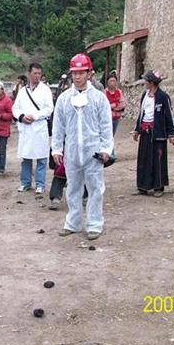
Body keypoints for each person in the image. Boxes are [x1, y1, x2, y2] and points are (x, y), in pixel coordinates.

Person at [52, 54, 113, 240]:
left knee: (95, 188)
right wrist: (56, 148)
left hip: (93, 151)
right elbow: (58, 125)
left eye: (81, 72)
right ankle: (73, 223)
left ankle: (94, 224)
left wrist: (106, 149)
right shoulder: (63, 99)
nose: (77, 77)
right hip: (72, 151)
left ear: (89, 73)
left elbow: (105, 125)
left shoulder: (99, 98)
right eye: (74, 73)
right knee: (72, 188)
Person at [133, 70, 174, 197]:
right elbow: (141, 114)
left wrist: (172, 133)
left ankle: (159, 186)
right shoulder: (144, 96)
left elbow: (170, 115)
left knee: (157, 160)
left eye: (146, 81)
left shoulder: (163, 97)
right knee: (144, 158)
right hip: (145, 132)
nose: (144, 83)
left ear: (152, 83)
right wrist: (137, 129)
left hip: (158, 133)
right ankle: (143, 186)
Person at [12, 63, 53, 194]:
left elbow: (49, 108)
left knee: (41, 158)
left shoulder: (45, 89)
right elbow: (15, 108)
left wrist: (35, 116)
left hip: (39, 126)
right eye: (35, 73)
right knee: (26, 157)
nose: (37, 76)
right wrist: (22, 116)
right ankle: (25, 182)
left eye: (39, 74)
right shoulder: (23, 91)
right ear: (29, 73)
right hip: (26, 128)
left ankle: (40, 184)